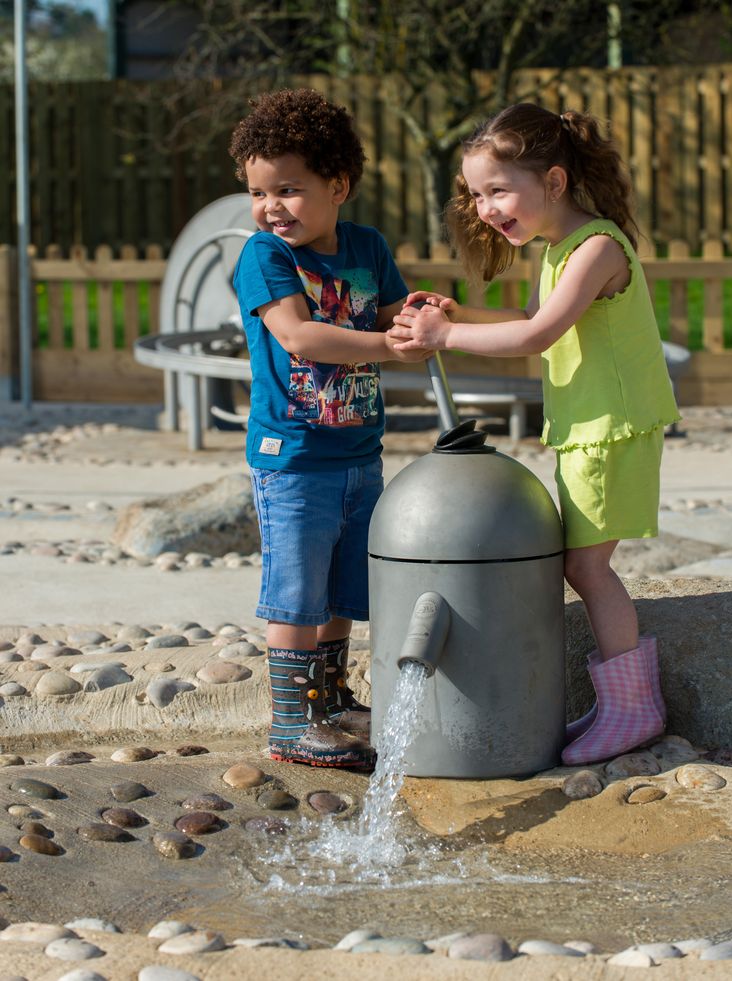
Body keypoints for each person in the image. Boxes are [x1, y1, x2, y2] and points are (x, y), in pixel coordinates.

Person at [388, 102, 680, 766]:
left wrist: (446, 336)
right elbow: (528, 315)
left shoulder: (599, 246)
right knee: (582, 563)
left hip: (611, 429)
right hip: (588, 430)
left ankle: (634, 708)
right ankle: (616, 703)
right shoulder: (559, 250)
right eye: (475, 194)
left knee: (587, 566)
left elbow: (537, 335)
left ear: (552, 180)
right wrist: (458, 312)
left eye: (497, 189)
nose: (485, 207)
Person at [229, 88, 429, 770]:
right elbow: (300, 337)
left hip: (357, 450)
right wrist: (390, 348)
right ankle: (289, 723)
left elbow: (393, 316)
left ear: (338, 184)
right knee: (295, 589)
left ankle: (331, 700)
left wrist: (422, 316)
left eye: (287, 189)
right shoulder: (265, 257)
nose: (270, 207)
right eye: (258, 192)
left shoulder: (367, 247)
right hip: (293, 457)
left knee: (343, 587)